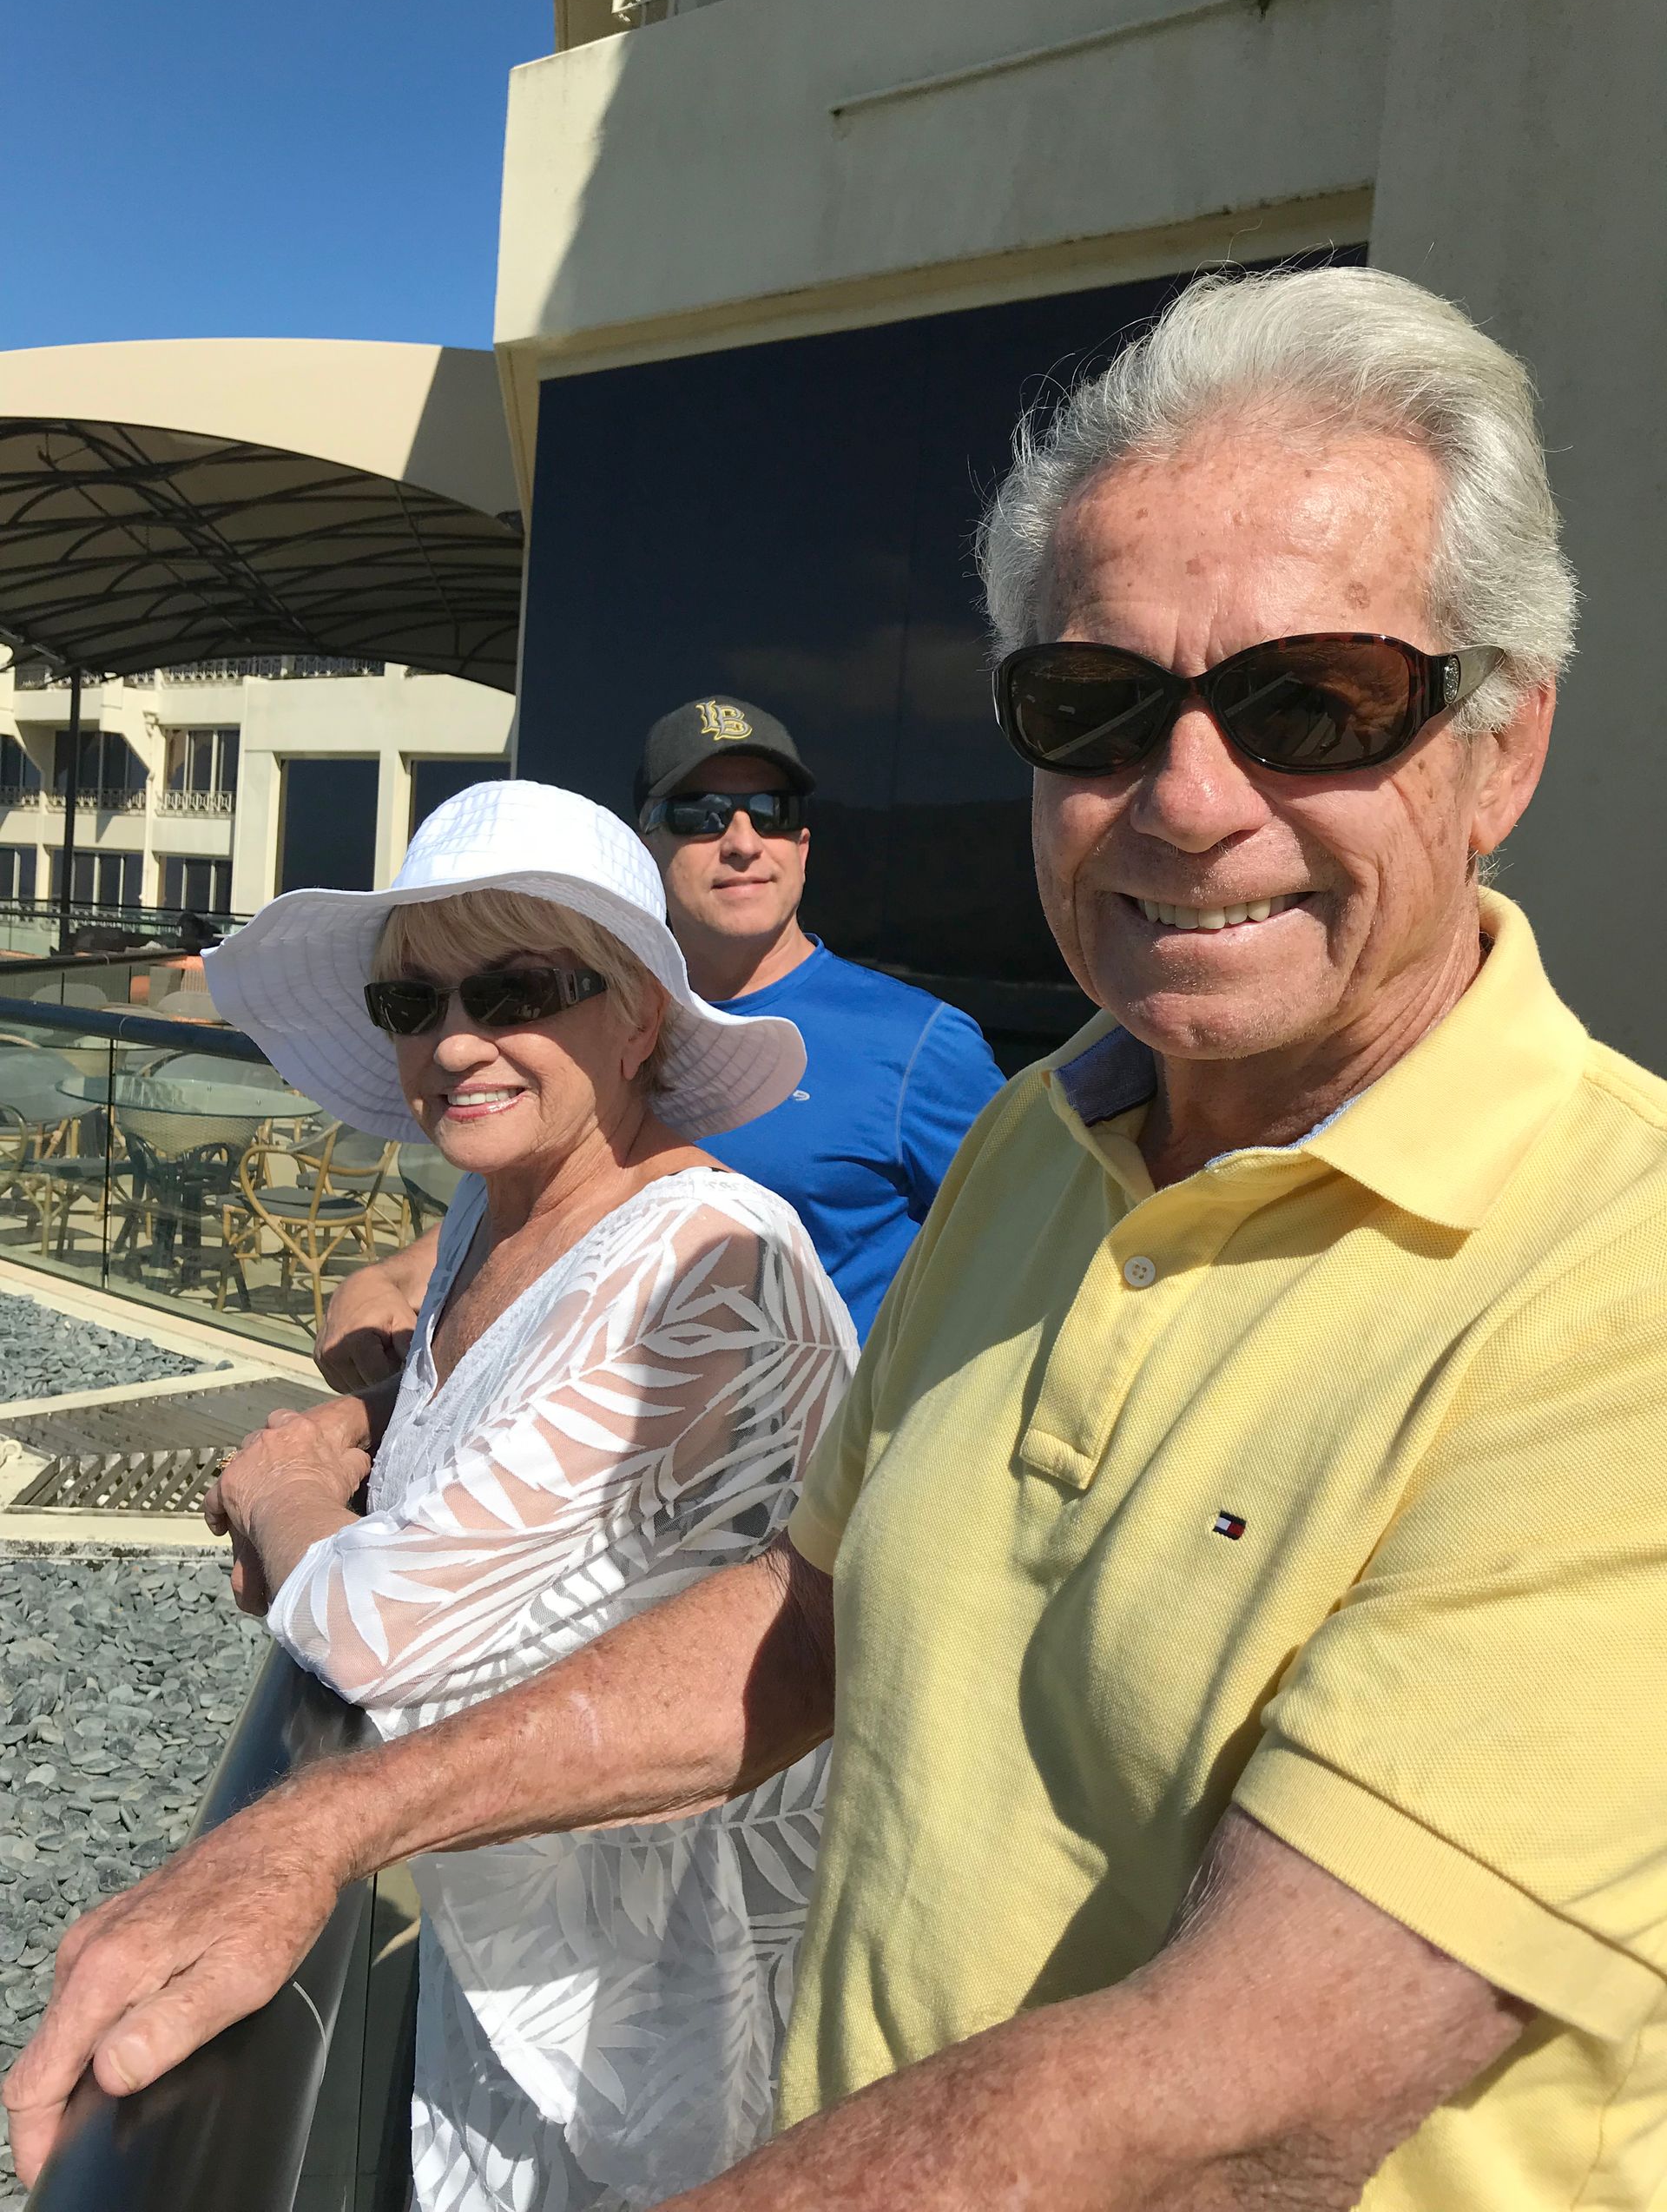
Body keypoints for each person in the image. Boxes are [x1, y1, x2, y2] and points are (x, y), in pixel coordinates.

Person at [12, 266, 1667, 2212]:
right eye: (1097, 707)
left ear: (1504, 746)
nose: (1190, 798)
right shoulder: (1042, 1145)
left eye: (1314, 701)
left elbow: (1257, 2072)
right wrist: (320, 1826)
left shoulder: (1613, 1280)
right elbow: (808, 1623)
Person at [184, 780, 859, 2211]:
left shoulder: (709, 1267)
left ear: (640, 1018)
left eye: (517, 990)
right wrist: (364, 1419)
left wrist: (282, 1485)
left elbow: (377, 1632)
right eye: (411, 1003)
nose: (454, 1041)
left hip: (663, 2019)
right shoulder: (497, 1219)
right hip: (517, 1939)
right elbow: (494, 1423)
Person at [316, 698, 1001, 1384]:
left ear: (802, 846)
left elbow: (1021, 1256)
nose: (742, 841)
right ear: (646, 849)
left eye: (771, 812)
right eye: (700, 814)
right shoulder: (573, 1026)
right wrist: (388, 1282)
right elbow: (535, 1207)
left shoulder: (916, 1043)